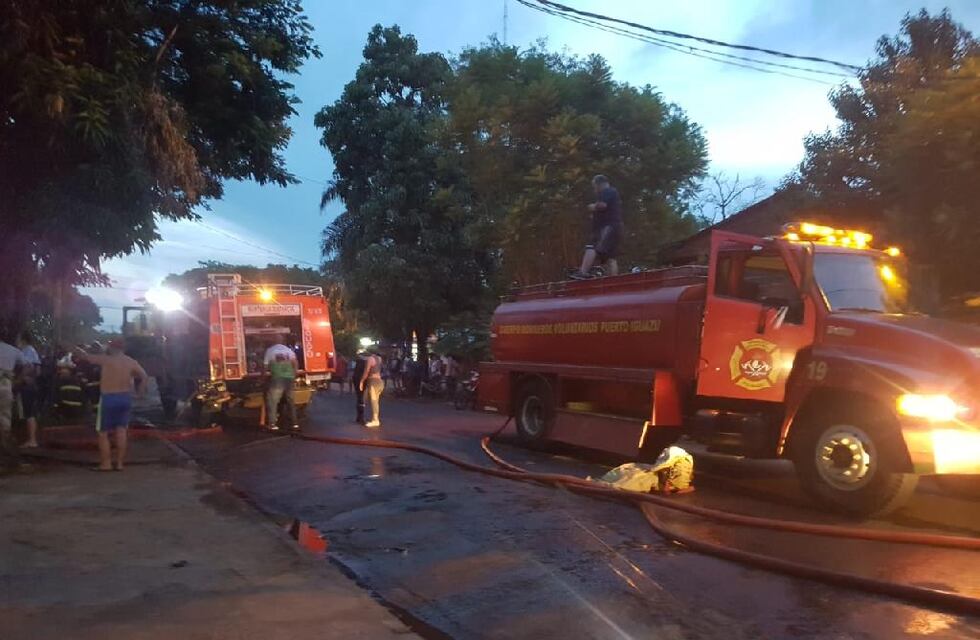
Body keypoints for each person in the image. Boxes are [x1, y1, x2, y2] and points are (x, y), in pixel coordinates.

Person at [73, 340, 147, 471]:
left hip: (109, 397)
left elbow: (85, 356)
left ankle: (106, 464)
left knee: (103, 433)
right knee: (121, 430)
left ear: (111, 348)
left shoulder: (106, 360)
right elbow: (144, 376)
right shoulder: (131, 361)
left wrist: (72, 347)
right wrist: (139, 393)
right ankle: (119, 464)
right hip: (125, 397)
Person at [570, 174, 624, 280]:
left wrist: (593, 207)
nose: (594, 189)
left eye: (594, 186)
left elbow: (603, 205)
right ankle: (613, 280)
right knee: (609, 256)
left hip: (608, 227)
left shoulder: (608, 191)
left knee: (592, 246)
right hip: (615, 227)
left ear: (599, 184)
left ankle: (583, 272)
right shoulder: (613, 193)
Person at [263, 335, 299, 432]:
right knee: (291, 401)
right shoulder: (289, 350)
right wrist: (294, 375)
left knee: (273, 401)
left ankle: (272, 424)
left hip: (277, 379)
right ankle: (294, 423)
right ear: (283, 341)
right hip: (289, 378)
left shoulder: (270, 351)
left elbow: (265, 367)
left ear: (274, 341)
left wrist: (263, 377)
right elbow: (295, 363)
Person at [0, 333, 26, 458]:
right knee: (5, 416)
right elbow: (28, 365)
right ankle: (5, 449)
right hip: (6, 384)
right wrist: (18, 380)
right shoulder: (13, 350)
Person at [16, 331, 41, 448]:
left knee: (29, 413)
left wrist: (20, 379)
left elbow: (29, 367)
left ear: (23, 340)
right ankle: (31, 439)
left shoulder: (27, 351)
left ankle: (32, 440)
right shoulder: (31, 351)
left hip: (27, 386)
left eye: (18, 338)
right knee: (29, 413)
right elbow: (37, 370)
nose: (16, 341)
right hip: (31, 385)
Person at [359, 349, 384, 428]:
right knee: (374, 400)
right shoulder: (379, 359)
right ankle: (374, 418)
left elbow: (366, 372)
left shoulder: (370, 359)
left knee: (374, 401)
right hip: (380, 381)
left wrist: (362, 381)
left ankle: (375, 420)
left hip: (373, 382)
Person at [352, 352, 367, 423]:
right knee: (361, 398)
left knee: (359, 397)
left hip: (356, 379)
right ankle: (361, 417)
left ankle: (359, 416)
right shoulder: (365, 362)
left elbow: (353, 370)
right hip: (362, 380)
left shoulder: (357, 362)